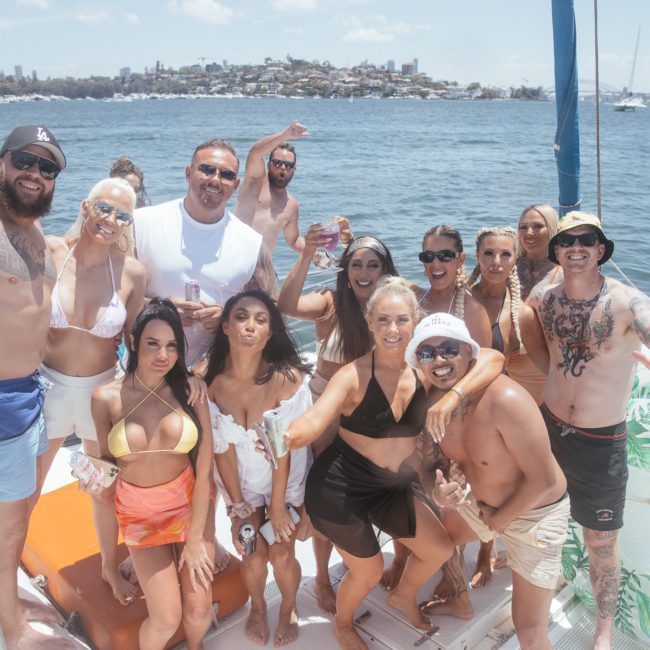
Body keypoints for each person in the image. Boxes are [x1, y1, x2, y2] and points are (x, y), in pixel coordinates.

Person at [286, 278, 454, 650]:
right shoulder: (352, 376)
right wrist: (290, 435)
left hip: (389, 485)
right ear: (369, 322)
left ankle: (402, 596)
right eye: (383, 320)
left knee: (440, 549)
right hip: (339, 488)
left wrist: (452, 395)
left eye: (401, 320)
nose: (393, 330)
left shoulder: (428, 371)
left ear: (416, 321)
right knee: (369, 570)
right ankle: (343, 625)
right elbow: (314, 421)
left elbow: (489, 359)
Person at [409, 312, 569, 649]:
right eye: (427, 353)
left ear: (469, 352)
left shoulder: (505, 400)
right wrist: (440, 493)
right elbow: (431, 467)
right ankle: (458, 597)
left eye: (449, 348)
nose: (438, 359)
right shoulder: (434, 403)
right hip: (481, 506)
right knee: (435, 538)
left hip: (533, 515)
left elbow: (545, 479)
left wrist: (500, 519)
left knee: (528, 630)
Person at [528, 211, 650, 650]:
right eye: (566, 240)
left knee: (600, 544)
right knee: (538, 517)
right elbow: (522, 320)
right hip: (550, 427)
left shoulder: (626, 301)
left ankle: (602, 632)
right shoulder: (546, 297)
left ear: (601, 249)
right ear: (556, 252)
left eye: (587, 239)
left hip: (601, 443)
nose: (576, 246)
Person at [32, 178, 146, 605]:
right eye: (104, 208)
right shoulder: (50, 252)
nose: (111, 220)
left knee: (101, 490)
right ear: (85, 206)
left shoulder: (131, 271)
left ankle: (106, 567)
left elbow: (137, 344)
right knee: (28, 487)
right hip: (48, 392)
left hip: (99, 399)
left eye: (122, 215)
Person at [277, 231, 398, 614]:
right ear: (345, 270)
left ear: (385, 270)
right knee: (322, 497)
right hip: (324, 410)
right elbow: (286, 303)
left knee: (357, 494)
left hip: (369, 411)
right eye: (356, 264)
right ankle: (322, 578)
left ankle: (353, 560)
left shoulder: (391, 305)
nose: (364, 273)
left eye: (372, 265)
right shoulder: (330, 304)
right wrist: (308, 253)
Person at [91, 298, 215, 650]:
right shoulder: (105, 398)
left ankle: (196, 647)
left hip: (189, 503)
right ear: (133, 342)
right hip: (138, 513)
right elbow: (104, 460)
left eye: (172, 345)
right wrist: (95, 482)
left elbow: (204, 465)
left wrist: (194, 540)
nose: (164, 354)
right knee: (165, 620)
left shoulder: (191, 391)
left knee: (198, 610)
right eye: (153, 343)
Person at [0, 124, 75, 649]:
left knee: (18, 519)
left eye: (47, 168)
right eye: (25, 161)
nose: (35, 174)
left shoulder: (46, 243)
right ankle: (15, 631)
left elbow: (96, 241)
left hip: (29, 395)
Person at [205, 290, 313, 647]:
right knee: (252, 558)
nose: (250, 326)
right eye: (241, 317)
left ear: (270, 333)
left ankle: (288, 608)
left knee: (282, 556)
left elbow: (281, 450)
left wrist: (279, 507)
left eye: (260, 320)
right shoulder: (213, 383)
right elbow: (221, 448)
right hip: (244, 484)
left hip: (286, 482)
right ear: (225, 326)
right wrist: (237, 506)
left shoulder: (285, 379)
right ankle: (256, 606)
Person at [134, 138, 277, 368]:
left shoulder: (251, 243)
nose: (215, 179)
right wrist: (159, 310)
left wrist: (229, 318)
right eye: (207, 169)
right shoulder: (142, 224)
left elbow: (269, 313)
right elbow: (111, 296)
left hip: (214, 375)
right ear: (189, 172)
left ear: (236, 183)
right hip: (144, 370)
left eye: (226, 175)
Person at [469, 226, 549, 405]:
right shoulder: (458, 299)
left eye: (505, 254)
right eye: (488, 253)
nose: (496, 262)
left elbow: (547, 369)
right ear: (477, 256)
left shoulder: (521, 315)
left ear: (516, 259)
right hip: (450, 398)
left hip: (489, 403)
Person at [234, 121, 309, 254]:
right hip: (235, 258)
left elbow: (294, 240)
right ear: (269, 165)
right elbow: (255, 153)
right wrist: (285, 135)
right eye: (278, 163)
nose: (283, 168)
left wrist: (314, 252)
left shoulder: (291, 205)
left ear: (294, 170)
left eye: (288, 165)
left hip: (263, 269)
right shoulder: (256, 181)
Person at [415, 224, 491, 346]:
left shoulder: (474, 313)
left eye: (445, 256)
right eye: (428, 257)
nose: (436, 265)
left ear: (460, 260)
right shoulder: (414, 302)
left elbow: (484, 361)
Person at [516, 204, 561, 301]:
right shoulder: (509, 265)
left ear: (551, 228)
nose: (529, 233)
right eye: (523, 227)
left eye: (537, 226)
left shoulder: (564, 272)